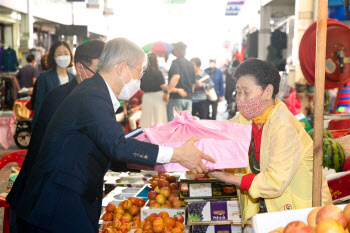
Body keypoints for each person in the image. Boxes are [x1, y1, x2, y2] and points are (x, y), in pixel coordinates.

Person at [14, 38, 215, 233]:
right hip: (57, 206)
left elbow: (108, 148)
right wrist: (177, 154)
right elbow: (117, 146)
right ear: (121, 68)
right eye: (139, 72)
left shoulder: (96, 92)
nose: (140, 79)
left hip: (67, 201)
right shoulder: (92, 95)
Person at [208, 58, 332, 223]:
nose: (241, 98)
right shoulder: (248, 119)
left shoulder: (283, 126)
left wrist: (226, 177)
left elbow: (274, 182)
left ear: (267, 92)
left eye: (246, 92)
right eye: (238, 92)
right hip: (271, 213)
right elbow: (222, 131)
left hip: (302, 214)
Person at [6, 39, 106, 233]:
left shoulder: (89, 93)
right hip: (45, 197)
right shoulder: (61, 96)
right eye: (101, 68)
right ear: (81, 67)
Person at [32, 41, 75, 127]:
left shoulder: (74, 78)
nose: (63, 56)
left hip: (70, 127)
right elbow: (39, 105)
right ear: (53, 57)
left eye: (66, 53)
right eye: (59, 54)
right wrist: (35, 129)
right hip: (50, 126)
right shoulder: (44, 77)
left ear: (70, 55)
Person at [166, 41, 196, 121]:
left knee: (175, 125)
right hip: (188, 99)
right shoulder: (191, 64)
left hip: (176, 99)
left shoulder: (176, 62)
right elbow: (193, 86)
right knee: (186, 125)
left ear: (176, 50)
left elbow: (176, 77)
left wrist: (168, 92)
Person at [140, 53, 168, 128]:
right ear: (155, 61)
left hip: (146, 97)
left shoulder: (143, 73)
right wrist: (169, 90)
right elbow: (163, 86)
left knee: (146, 118)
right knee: (159, 117)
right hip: (158, 97)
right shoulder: (158, 73)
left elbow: (140, 87)